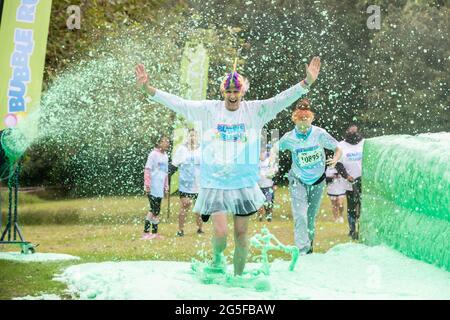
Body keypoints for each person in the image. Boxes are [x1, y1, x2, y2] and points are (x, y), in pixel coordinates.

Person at [135, 56, 321, 275]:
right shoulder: (208, 110)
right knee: (221, 234)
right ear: (223, 92)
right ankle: (216, 260)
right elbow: (179, 103)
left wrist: (306, 83)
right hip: (216, 184)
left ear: (243, 92)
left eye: (236, 92)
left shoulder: (254, 110)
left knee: (241, 236)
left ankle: (238, 280)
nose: (232, 96)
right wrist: (148, 89)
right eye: (229, 92)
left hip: (243, 185)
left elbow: (280, 100)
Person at [271, 99, 342, 255]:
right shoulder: (289, 137)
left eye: (307, 119)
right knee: (301, 215)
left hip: (318, 181)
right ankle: (302, 251)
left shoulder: (319, 134)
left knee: (310, 218)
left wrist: (336, 158)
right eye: (301, 119)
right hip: (298, 181)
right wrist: (272, 165)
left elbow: (338, 148)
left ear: (311, 118)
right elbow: (274, 148)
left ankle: (309, 246)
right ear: (294, 119)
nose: (304, 123)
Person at [172, 128, 203, 236]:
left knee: (199, 207)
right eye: (190, 135)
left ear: (197, 137)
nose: (192, 138)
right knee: (185, 205)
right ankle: (180, 230)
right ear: (187, 137)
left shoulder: (202, 149)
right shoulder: (181, 149)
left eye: (194, 135)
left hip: (199, 184)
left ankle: (200, 228)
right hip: (186, 183)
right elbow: (174, 164)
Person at [335, 125, 364, 240]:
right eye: (350, 132)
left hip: (364, 181)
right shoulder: (341, 146)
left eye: (355, 132)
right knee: (352, 206)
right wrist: (346, 176)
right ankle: (352, 230)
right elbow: (338, 163)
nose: (353, 134)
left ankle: (362, 229)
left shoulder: (364, 143)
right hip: (349, 182)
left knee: (362, 206)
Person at [142, 135, 170, 240]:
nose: (167, 143)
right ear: (159, 143)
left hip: (160, 188)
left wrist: (166, 187)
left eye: (168, 141)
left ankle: (154, 233)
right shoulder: (153, 154)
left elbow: (165, 173)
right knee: (153, 209)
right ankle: (145, 232)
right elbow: (147, 169)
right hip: (152, 186)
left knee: (157, 210)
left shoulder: (166, 156)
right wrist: (147, 184)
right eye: (165, 141)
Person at [257, 146, 278, 222]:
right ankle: (260, 216)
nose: (261, 155)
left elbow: (275, 172)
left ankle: (269, 215)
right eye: (260, 154)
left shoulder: (270, 162)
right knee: (259, 201)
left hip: (269, 185)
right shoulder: (256, 163)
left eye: (263, 153)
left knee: (269, 201)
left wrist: (275, 183)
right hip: (258, 186)